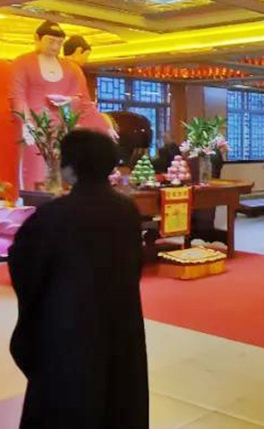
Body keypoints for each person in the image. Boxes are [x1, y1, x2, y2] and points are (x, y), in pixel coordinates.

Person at [8, 130, 148, 427]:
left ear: (71, 167)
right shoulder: (126, 210)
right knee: (118, 395)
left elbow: (24, 266)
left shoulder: (54, 215)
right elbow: (136, 263)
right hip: (120, 321)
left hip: (67, 326)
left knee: (69, 397)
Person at [11, 21, 112, 190]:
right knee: (35, 171)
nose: (55, 47)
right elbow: (18, 96)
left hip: (62, 129)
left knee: (63, 171)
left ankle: (62, 201)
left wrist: (104, 126)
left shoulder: (71, 69)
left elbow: (83, 102)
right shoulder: (22, 63)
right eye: (50, 41)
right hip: (34, 129)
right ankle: (32, 201)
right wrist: (27, 123)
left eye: (59, 43)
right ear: (37, 38)